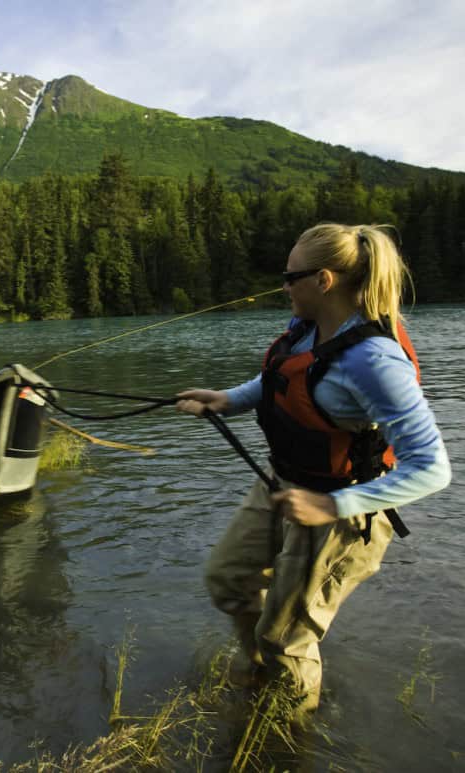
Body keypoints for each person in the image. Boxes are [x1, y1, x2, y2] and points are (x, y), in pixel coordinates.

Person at [176, 222, 451, 716]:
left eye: (290, 277)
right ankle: (261, 676)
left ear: (323, 281)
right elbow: (281, 379)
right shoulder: (307, 329)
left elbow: (432, 468)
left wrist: (331, 505)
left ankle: (291, 731)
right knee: (228, 580)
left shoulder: (374, 360)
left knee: (286, 636)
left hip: (344, 508)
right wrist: (227, 400)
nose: (283, 286)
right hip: (283, 485)